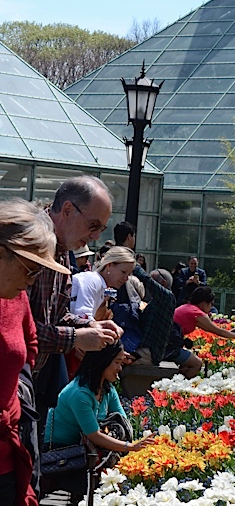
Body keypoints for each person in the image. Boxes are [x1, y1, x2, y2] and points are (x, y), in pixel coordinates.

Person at [0, 200, 72, 506]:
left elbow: (26, 349)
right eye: (29, 268)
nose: (34, 280)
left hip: (6, 448)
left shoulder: (15, 296)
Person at [28, 177, 122, 446]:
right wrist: (76, 338)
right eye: (93, 226)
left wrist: (88, 325)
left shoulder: (62, 250)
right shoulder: (31, 244)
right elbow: (20, 331)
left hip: (31, 380)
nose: (95, 236)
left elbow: (55, 315)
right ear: (67, 209)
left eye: (101, 229)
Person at [45, 342, 155, 458]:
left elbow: (123, 421)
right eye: (117, 362)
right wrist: (130, 447)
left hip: (87, 448)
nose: (120, 368)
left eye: (121, 363)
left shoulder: (107, 389)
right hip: (61, 452)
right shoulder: (79, 393)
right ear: (102, 361)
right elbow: (94, 435)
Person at [113, 221, 176, 365]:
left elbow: (147, 283)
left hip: (144, 348)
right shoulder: (153, 301)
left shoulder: (167, 298)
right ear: (130, 236)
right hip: (133, 337)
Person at [70, 247, 135, 322]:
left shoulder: (100, 285)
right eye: (123, 272)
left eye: (129, 275)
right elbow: (83, 317)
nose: (126, 278)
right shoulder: (93, 280)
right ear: (109, 265)